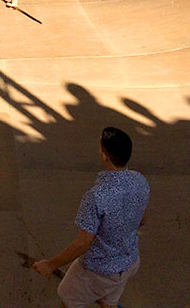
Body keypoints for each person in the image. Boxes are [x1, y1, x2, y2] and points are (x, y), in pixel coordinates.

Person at [33, 127, 150, 308]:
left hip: (98, 270)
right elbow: (141, 220)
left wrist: (50, 265)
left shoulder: (96, 196)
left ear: (104, 156)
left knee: (68, 299)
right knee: (108, 301)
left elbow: (82, 244)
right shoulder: (140, 180)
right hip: (130, 261)